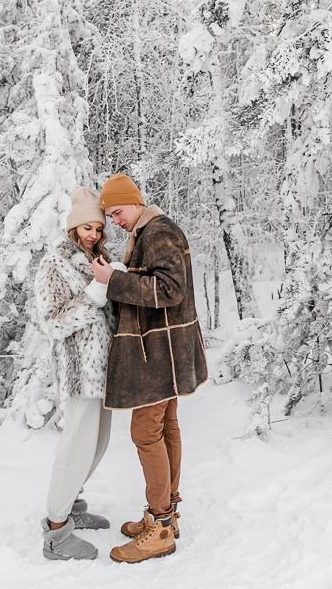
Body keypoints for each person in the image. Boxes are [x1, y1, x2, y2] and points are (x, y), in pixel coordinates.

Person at [90, 173, 209, 564]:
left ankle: (159, 527)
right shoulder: (149, 232)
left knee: (145, 432)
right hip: (167, 352)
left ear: (135, 202)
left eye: (117, 211)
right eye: (108, 215)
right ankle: (167, 515)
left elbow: (170, 290)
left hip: (160, 354)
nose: (114, 220)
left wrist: (114, 281)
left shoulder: (158, 231)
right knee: (164, 428)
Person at [34, 187, 123, 561]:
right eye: (87, 228)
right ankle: (56, 531)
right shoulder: (54, 263)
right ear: (73, 228)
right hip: (78, 371)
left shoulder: (100, 258)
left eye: (98, 229)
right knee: (76, 447)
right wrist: (94, 294)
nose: (94, 235)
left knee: (98, 445)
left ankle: (71, 506)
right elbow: (52, 322)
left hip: (105, 371)